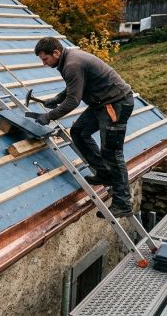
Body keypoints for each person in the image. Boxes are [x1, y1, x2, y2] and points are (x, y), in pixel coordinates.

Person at [32, 37, 135, 218]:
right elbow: (76, 85)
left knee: (112, 152)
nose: (44, 63)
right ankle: (104, 173)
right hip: (101, 104)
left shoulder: (72, 64)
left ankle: (123, 203)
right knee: (79, 132)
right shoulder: (69, 59)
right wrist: (57, 99)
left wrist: (48, 116)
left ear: (56, 53)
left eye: (45, 59)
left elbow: (73, 100)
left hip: (115, 104)